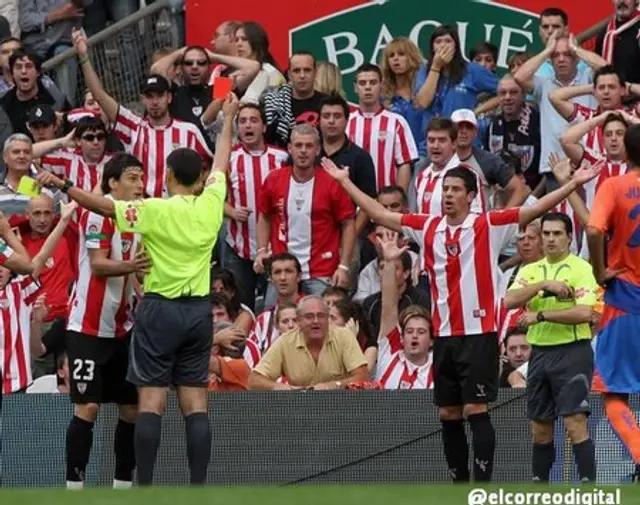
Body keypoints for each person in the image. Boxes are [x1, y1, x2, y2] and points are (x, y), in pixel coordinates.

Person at [321, 154, 602, 483]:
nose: (449, 194)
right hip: (443, 336)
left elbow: (533, 210)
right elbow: (379, 212)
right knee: (448, 412)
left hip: (478, 334)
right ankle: (458, 484)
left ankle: (481, 486)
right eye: (445, 189)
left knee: (476, 409)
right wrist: (343, 181)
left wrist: (573, 183)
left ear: (471, 195)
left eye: (456, 189)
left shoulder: (488, 224)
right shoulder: (428, 226)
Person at [35, 92, 238, 486]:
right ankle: (198, 487)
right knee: (196, 405)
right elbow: (222, 160)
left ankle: (142, 484)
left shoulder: (154, 209)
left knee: (149, 402)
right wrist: (227, 120)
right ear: (199, 179)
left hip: (159, 309)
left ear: (166, 177)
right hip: (199, 311)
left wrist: (64, 184)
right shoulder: (212, 202)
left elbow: (107, 207)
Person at [60, 153, 148, 490]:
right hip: (87, 329)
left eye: (141, 178)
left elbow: (134, 269)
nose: (140, 185)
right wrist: (133, 269)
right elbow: (98, 265)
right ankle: (74, 488)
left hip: (122, 328)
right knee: (89, 406)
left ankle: (122, 488)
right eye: (132, 178)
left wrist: (140, 292)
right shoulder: (99, 215)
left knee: (131, 406)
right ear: (112, 183)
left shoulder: (137, 216)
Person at [505, 212, 599, 483]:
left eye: (557, 233)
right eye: (546, 234)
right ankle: (540, 487)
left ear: (569, 237)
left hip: (572, 351)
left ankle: (589, 486)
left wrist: (542, 315)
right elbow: (509, 300)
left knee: (574, 422)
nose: (550, 239)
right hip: (540, 353)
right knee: (539, 427)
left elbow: (584, 313)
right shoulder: (531, 270)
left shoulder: (581, 268)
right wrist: (545, 285)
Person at [72, 28, 213, 198]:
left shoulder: (190, 128)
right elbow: (99, 94)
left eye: (159, 95)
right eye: (149, 96)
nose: (155, 101)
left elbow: (212, 165)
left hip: (177, 211)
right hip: (144, 209)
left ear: (169, 97)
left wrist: (198, 194)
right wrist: (84, 56)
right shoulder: (133, 126)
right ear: (142, 99)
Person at [586, 123, 640, 480]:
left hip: (625, 299)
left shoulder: (614, 185)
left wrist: (599, 269)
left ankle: (638, 452)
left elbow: (592, 229)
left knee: (613, 391)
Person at [254, 123, 356, 301]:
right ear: (289, 149)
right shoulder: (273, 179)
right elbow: (264, 216)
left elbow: (348, 223)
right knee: (277, 322)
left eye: (309, 146)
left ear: (317, 150)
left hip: (321, 270)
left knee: (322, 322)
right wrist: (262, 250)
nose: (303, 151)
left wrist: (344, 266)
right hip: (282, 270)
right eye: (298, 145)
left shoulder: (332, 183)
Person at [248, 295, 369, 390]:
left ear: (327, 319)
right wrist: (282, 388)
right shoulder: (285, 341)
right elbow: (254, 380)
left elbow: (363, 376)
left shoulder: (344, 336)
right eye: (309, 316)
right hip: (299, 407)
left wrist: (334, 385)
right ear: (299, 321)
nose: (316, 321)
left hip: (341, 405)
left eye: (321, 316)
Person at [376, 229, 433, 389]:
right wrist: (389, 263)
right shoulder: (390, 350)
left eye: (421, 332)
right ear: (401, 338)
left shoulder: (439, 368)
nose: (414, 336)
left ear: (431, 341)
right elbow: (388, 305)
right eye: (409, 331)